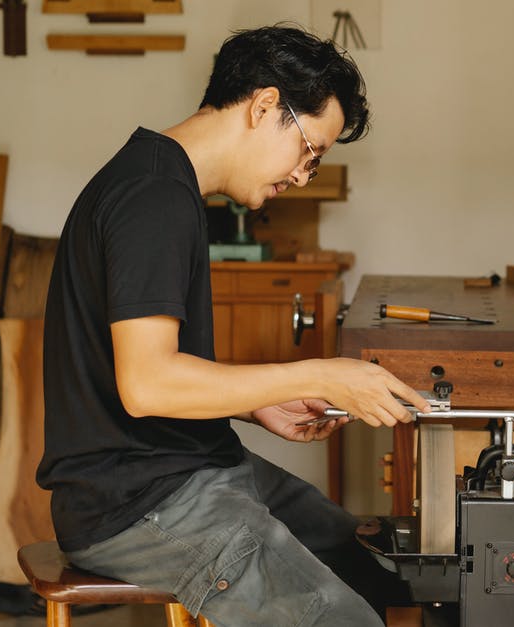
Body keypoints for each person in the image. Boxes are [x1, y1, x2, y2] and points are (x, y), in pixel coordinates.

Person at [37, 25, 429, 627]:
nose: (304, 174)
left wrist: (257, 406)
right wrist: (318, 371)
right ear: (265, 105)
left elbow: (140, 371)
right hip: (138, 503)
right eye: (310, 151)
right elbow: (148, 385)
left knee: (379, 569)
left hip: (196, 469)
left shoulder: (165, 182)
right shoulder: (154, 197)